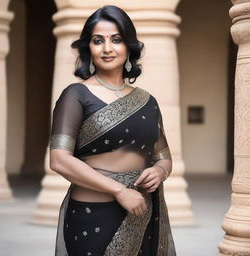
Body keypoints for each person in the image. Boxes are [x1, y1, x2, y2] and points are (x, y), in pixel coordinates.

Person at [49, 5, 176, 256]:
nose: (107, 48)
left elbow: (164, 157)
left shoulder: (147, 101)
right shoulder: (76, 96)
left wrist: (159, 171)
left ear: (128, 45)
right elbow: (59, 160)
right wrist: (119, 190)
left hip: (140, 211)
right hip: (90, 216)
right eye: (98, 41)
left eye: (116, 40)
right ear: (89, 49)